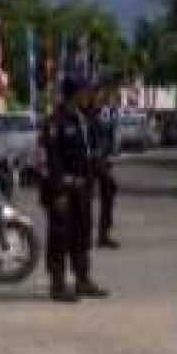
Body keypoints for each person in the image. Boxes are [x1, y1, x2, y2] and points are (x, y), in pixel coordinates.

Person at [38, 77, 109, 303]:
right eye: (85, 91)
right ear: (73, 94)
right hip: (62, 190)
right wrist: (57, 191)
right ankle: (58, 285)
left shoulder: (83, 120)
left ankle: (82, 280)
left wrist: (97, 170)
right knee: (60, 238)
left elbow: (88, 153)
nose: (89, 96)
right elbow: (49, 160)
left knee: (82, 235)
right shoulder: (55, 122)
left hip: (82, 189)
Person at [92, 91, 120, 249]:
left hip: (103, 160)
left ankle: (104, 234)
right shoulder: (86, 115)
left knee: (109, 191)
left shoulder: (107, 115)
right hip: (89, 162)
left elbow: (109, 138)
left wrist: (109, 155)